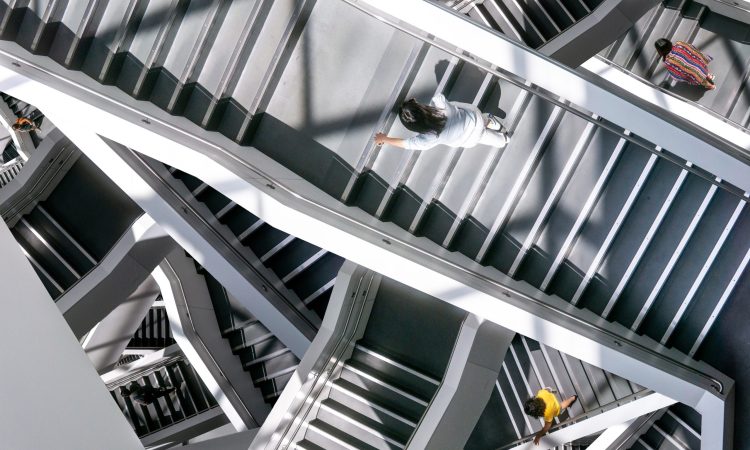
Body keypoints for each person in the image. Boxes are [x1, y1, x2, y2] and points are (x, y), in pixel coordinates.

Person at [374, 94, 511, 151]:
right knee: (471, 114)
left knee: (499, 143)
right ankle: (490, 121)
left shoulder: (428, 138)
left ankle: (504, 138)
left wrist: (384, 138)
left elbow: (406, 144)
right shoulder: (438, 103)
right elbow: (440, 96)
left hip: (470, 139)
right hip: (474, 117)